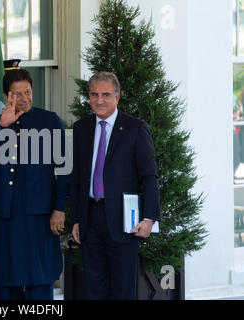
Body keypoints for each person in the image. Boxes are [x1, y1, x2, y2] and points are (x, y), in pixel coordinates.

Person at [70, 71, 160, 300]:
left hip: (124, 222)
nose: (99, 100)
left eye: (106, 95)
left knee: (123, 290)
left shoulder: (135, 129)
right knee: (94, 290)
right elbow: (79, 177)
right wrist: (77, 218)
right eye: (94, 95)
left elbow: (149, 177)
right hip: (90, 220)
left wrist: (149, 218)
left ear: (117, 97)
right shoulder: (81, 128)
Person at [0, 68, 69, 300]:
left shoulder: (49, 120)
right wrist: (2, 126)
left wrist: (59, 208)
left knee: (40, 276)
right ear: (6, 96)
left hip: (40, 214)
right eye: (17, 94)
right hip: (8, 214)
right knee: (7, 276)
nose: (24, 98)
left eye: (28, 92)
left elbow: (64, 169)